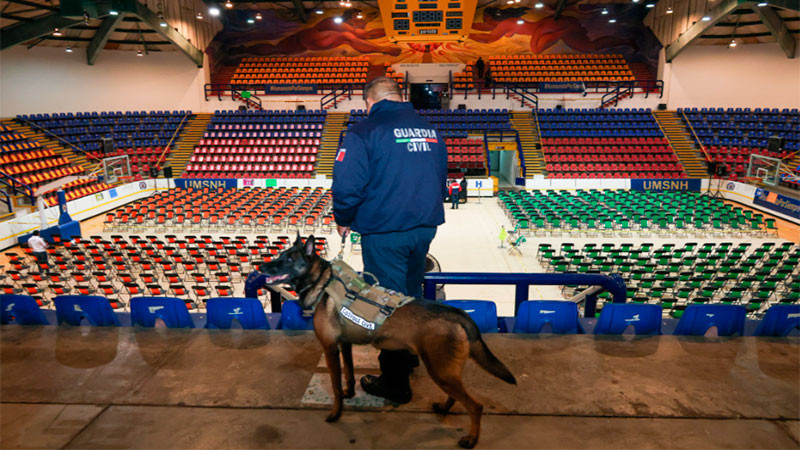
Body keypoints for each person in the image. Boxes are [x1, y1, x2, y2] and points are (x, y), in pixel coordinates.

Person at [332, 76, 447, 404]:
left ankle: (396, 384)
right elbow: (440, 178)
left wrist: (343, 218)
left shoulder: (363, 132)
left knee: (387, 305)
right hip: (424, 227)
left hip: (385, 232)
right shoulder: (430, 130)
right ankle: (409, 356)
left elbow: (346, 186)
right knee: (409, 294)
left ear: (369, 101)